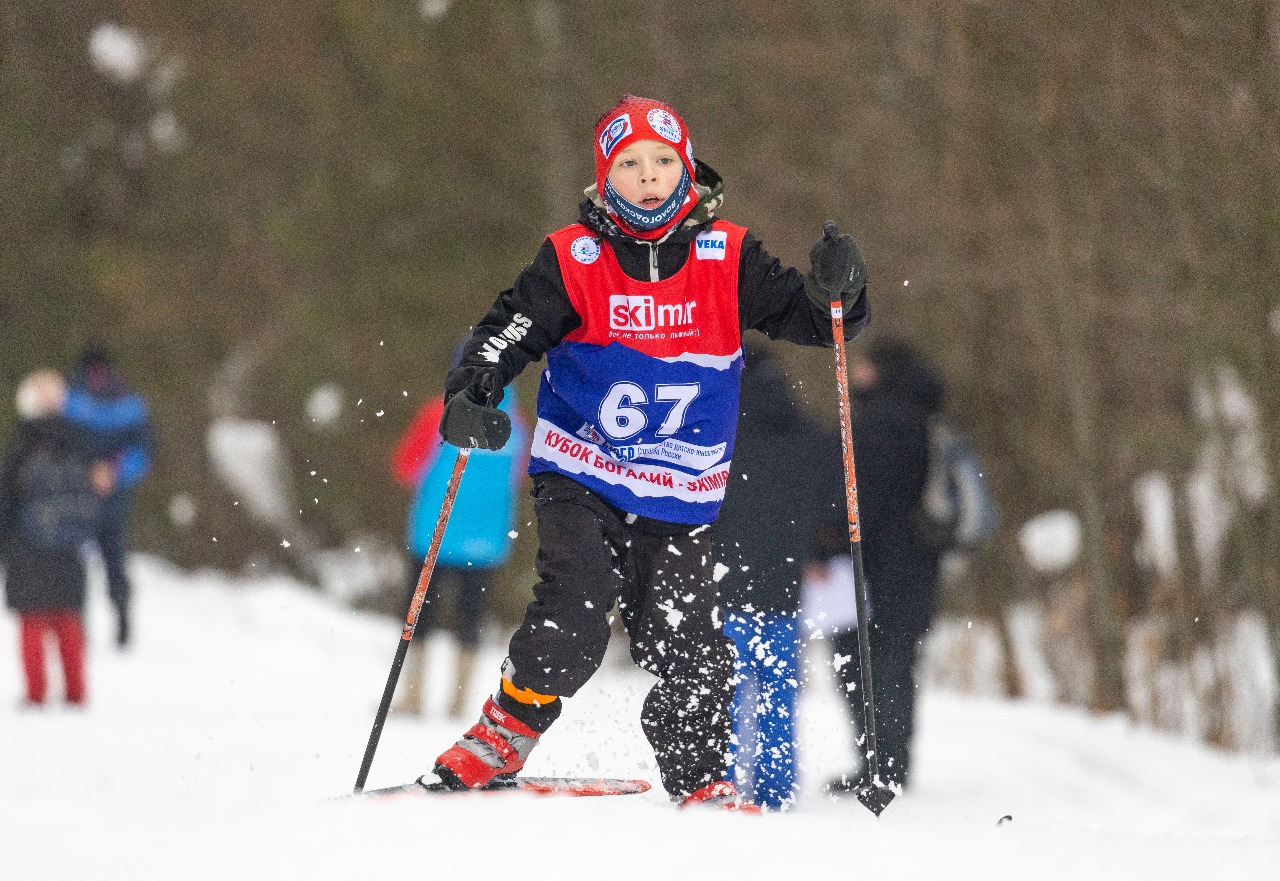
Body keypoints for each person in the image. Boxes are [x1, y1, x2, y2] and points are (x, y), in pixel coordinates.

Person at [427, 94, 870, 810]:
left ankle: (701, 775)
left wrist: (838, 289)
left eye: (663, 161)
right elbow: (509, 328)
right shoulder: (575, 257)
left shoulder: (728, 255)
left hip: (680, 490)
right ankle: (504, 730)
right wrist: (474, 386)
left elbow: (816, 321)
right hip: (584, 467)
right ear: (606, 178)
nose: (648, 176)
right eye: (629, 164)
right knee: (576, 609)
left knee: (689, 644)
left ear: (686, 169)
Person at [713, 339, 845, 810]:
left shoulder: (715, 430)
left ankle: (722, 783)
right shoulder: (810, 435)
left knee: (723, 692)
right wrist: (816, 551)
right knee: (778, 694)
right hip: (782, 585)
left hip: (723, 580)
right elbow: (831, 509)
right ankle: (775, 787)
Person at [826, 336, 945, 793]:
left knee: (865, 665)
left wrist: (832, 535)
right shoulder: (925, 418)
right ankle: (892, 762)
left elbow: (864, 501)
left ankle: (880, 765)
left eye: (865, 365)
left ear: (882, 370)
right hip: (918, 562)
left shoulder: (878, 423)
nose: (856, 372)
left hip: (877, 567)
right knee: (897, 663)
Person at [389, 377, 528, 717]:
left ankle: (413, 697)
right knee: (471, 620)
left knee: (419, 616)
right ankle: (458, 702)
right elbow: (520, 475)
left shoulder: (440, 411)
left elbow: (406, 466)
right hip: (486, 542)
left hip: (434, 536)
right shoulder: (516, 421)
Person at [2, 370, 114, 707]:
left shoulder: (21, 444)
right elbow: (100, 488)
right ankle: (76, 691)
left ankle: (36, 693)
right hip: (70, 545)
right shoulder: (77, 440)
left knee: (32, 619)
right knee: (68, 617)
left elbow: (6, 498)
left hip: (27, 545)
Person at [63, 342, 153, 649]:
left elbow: (143, 451)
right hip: (86, 494)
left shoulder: (75, 399)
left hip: (103, 495)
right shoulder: (124, 401)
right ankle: (85, 623)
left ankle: (118, 619)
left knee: (108, 559)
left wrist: (112, 473)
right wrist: (101, 472)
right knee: (90, 560)